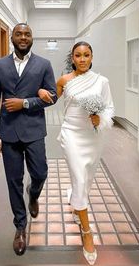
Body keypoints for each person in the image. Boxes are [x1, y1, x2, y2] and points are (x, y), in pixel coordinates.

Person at [38, 41, 114, 265]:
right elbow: (51, 100)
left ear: (92, 57)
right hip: (71, 135)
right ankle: (87, 232)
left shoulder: (102, 82)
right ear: (72, 58)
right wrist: (42, 92)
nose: (82, 59)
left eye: (86, 55)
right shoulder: (64, 81)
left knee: (87, 179)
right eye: (78, 55)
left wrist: (100, 119)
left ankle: (76, 200)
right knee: (79, 179)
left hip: (93, 136)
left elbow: (109, 107)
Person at [0, 23, 57, 256]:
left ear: (32, 38)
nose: (23, 37)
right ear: (12, 38)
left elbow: (53, 97)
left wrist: (25, 102)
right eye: (19, 34)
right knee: (13, 182)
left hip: (34, 130)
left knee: (40, 173)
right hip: (8, 132)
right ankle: (20, 227)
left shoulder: (43, 65)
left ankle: (34, 193)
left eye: (27, 34)